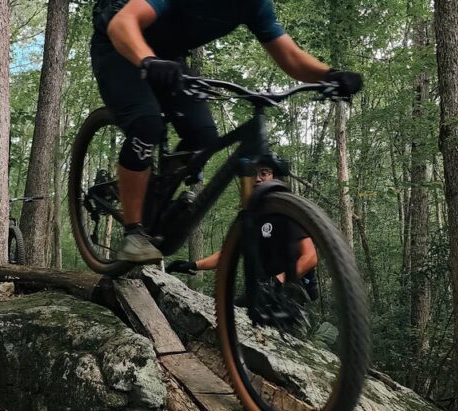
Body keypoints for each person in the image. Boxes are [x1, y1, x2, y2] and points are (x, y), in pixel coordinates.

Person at [90, 0, 364, 263]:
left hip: (169, 58)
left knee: (204, 136)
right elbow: (122, 23)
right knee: (146, 125)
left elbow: (290, 55)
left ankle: (154, 191)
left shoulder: (255, 5)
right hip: (118, 45)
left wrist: (330, 75)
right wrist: (147, 59)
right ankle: (133, 231)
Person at [166, 161, 319, 303]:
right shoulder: (248, 217)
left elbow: (310, 257)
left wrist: (277, 281)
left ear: (274, 177)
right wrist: (192, 265)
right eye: (253, 174)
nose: (257, 179)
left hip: (291, 289)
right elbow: (227, 255)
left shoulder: (286, 211)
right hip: (261, 291)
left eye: (264, 173)